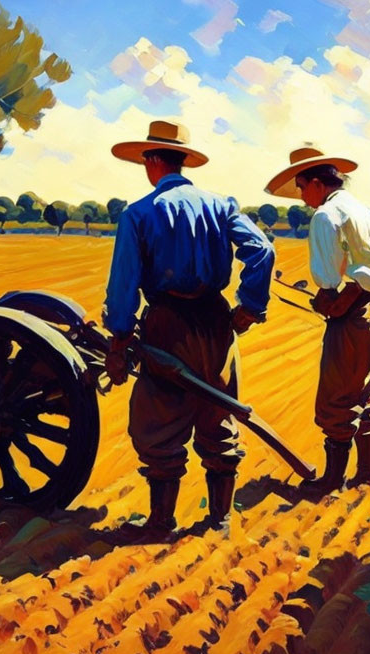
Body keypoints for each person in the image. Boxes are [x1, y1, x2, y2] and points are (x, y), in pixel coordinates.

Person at [103, 120, 275, 542]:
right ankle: (219, 520)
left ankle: (162, 521)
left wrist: (120, 338)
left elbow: (123, 285)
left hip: (168, 323)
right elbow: (263, 251)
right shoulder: (221, 205)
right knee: (218, 412)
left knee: (157, 419)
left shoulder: (138, 214)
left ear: (151, 161)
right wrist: (248, 307)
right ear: (182, 161)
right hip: (216, 322)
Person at [264, 147, 370, 498]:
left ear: (318, 184)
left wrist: (327, 300)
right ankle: (367, 474)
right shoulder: (359, 209)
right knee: (365, 392)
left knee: (336, 403)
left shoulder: (326, 216)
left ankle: (332, 481)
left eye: (302, 187)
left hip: (354, 321)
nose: (303, 197)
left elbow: (327, 279)